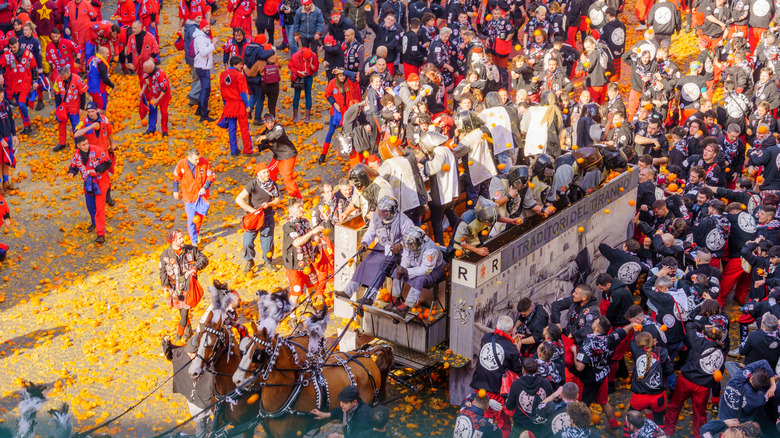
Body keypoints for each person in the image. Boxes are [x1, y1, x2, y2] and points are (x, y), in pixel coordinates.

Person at [340, 196, 413, 302]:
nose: (381, 215)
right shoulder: (376, 217)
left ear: (392, 212)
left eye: (384, 212)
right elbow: (371, 232)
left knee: (380, 267)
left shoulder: (404, 221)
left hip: (395, 251)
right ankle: (348, 291)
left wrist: (401, 245)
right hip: (380, 248)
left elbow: (411, 239)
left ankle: (370, 297)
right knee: (364, 264)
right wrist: (365, 242)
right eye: (380, 211)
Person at [470, 315, 523, 437]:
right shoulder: (512, 348)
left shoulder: (487, 337)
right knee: (502, 422)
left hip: (481, 384)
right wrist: (517, 350)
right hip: (498, 389)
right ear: (510, 331)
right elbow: (518, 371)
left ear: (496, 327)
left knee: (482, 416)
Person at [159, 228, 208, 341]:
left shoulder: (191, 250)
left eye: (182, 237)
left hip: (188, 287)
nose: (183, 239)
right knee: (182, 313)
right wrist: (166, 287)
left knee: (184, 315)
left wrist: (196, 267)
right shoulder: (165, 255)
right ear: (173, 241)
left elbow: (204, 259)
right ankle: (188, 328)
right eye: (179, 238)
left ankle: (178, 337)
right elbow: (162, 272)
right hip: (175, 289)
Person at [386, 226, 445, 317]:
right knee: (396, 272)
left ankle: (407, 306)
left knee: (419, 280)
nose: (408, 247)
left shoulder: (431, 250)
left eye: (411, 245)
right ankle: (395, 299)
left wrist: (406, 271)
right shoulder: (410, 243)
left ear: (419, 242)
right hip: (416, 265)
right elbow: (406, 257)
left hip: (432, 271)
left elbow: (425, 270)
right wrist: (402, 269)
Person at [236, 162, 282, 273]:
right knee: (247, 242)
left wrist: (269, 204)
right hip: (253, 218)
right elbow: (238, 199)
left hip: (267, 217)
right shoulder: (253, 184)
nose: (267, 174)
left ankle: (268, 261)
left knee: (268, 243)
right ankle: (249, 261)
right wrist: (252, 210)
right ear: (258, 174)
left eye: (267, 172)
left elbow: (277, 200)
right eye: (264, 172)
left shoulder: (273, 185)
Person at [282, 197, 327, 305]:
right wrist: (311, 233)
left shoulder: (305, 221)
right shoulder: (289, 226)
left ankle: (308, 302)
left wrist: (317, 239)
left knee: (312, 284)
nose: (302, 208)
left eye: (301, 206)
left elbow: (310, 237)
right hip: (294, 265)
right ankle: (292, 316)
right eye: (299, 207)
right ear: (291, 210)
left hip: (307, 261)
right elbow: (297, 242)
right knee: (295, 293)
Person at [66, 135, 111, 244]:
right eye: (83, 145)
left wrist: (97, 170)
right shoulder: (76, 154)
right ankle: (94, 223)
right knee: (90, 206)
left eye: (87, 144)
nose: (86, 146)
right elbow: (74, 166)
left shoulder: (97, 150)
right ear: (78, 146)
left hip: (100, 182)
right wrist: (71, 173)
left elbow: (107, 162)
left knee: (100, 208)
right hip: (88, 183)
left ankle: (100, 234)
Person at [73, 102, 116, 206]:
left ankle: (107, 196)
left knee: (105, 176)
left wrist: (112, 144)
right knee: (93, 176)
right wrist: (90, 127)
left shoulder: (104, 120)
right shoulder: (83, 122)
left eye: (92, 111)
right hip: (91, 155)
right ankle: (95, 197)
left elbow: (109, 133)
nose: (91, 114)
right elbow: (76, 134)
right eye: (88, 112)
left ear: (96, 110)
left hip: (104, 152)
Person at [171, 149, 214, 247]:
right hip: (189, 196)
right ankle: (194, 241)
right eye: (195, 160)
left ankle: (197, 233)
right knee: (191, 219)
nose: (198, 161)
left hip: (201, 196)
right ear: (189, 158)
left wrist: (205, 187)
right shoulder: (182, 164)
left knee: (199, 217)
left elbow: (210, 176)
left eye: (198, 159)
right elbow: (176, 177)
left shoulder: (204, 162)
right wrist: (175, 190)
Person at [255, 113, 302, 199]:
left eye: (272, 122)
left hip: (288, 155)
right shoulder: (266, 132)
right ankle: (271, 193)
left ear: (274, 121)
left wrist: (265, 136)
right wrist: (259, 147)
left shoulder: (278, 127)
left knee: (286, 177)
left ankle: (297, 198)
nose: (270, 124)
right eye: (268, 123)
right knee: (269, 173)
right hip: (278, 156)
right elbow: (267, 143)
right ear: (264, 123)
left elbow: (277, 134)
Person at [506, 357, 553, 437]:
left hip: (520, 426)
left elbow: (509, 406)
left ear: (523, 370)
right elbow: (550, 404)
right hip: (540, 427)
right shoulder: (546, 383)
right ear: (537, 369)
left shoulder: (516, 385)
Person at [0, 37, 37, 135]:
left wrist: (34, 81)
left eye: (14, 47)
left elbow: (34, 68)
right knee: (20, 107)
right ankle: (26, 126)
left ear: (18, 43)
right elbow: (1, 66)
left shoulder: (28, 54)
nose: (13, 49)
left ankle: (28, 124)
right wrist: (0, 75)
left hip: (25, 82)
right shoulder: (7, 55)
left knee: (21, 104)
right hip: (14, 84)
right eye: (11, 47)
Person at [218, 56, 251, 155]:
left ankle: (234, 150)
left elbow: (222, 90)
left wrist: (225, 104)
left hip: (229, 105)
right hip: (239, 105)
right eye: (240, 64)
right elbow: (242, 93)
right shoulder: (239, 76)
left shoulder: (223, 75)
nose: (242, 66)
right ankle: (247, 150)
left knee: (232, 129)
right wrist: (247, 105)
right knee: (244, 128)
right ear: (235, 64)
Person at [139, 59, 171, 136]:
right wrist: (142, 91)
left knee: (163, 112)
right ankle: (151, 129)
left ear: (150, 69)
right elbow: (145, 82)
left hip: (163, 96)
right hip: (153, 94)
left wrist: (158, 99)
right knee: (152, 110)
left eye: (145, 69)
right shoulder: (147, 72)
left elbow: (165, 89)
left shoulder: (160, 74)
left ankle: (164, 130)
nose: (144, 71)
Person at [192, 19, 216, 122]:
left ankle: (199, 110)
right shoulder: (201, 38)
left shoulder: (202, 37)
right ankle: (203, 114)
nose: (208, 29)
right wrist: (213, 44)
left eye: (209, 27)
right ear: (202, 28)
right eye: (206, 27)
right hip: (202, 67)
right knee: (205, 91)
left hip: (202, 66)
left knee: (205, 89)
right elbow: (203, 52)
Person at [289, 47, 318, 122]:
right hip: (299, 77)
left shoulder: (313, 56)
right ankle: (295, 116)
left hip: (308, 77)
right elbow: (290, 66)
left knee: (308, 95)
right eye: (305, 59)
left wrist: (311, 64)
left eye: (308, 59)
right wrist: (299, 72)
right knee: (297, 95)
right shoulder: (296, 56)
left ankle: (307, 116)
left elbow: (315, 69)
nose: (306, 61)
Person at [0, 90, 18, 194]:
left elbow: (11, 119)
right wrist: (0, 139)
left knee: (6, 160)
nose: (1, 95)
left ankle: (6, 182)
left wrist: (14, 134)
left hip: (7, 137)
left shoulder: (5, 103)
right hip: (1, 139)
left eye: (2, 93)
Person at [85, 45, 113, 110]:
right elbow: (105, 79)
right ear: (101, 54)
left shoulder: (90, 59)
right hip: (98, 90)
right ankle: (101, 119)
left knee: (95, 105)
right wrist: (112, 86)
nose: (108, 55)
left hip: (89, 87)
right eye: (106, 54)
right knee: (101, 108)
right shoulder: (101, 63)